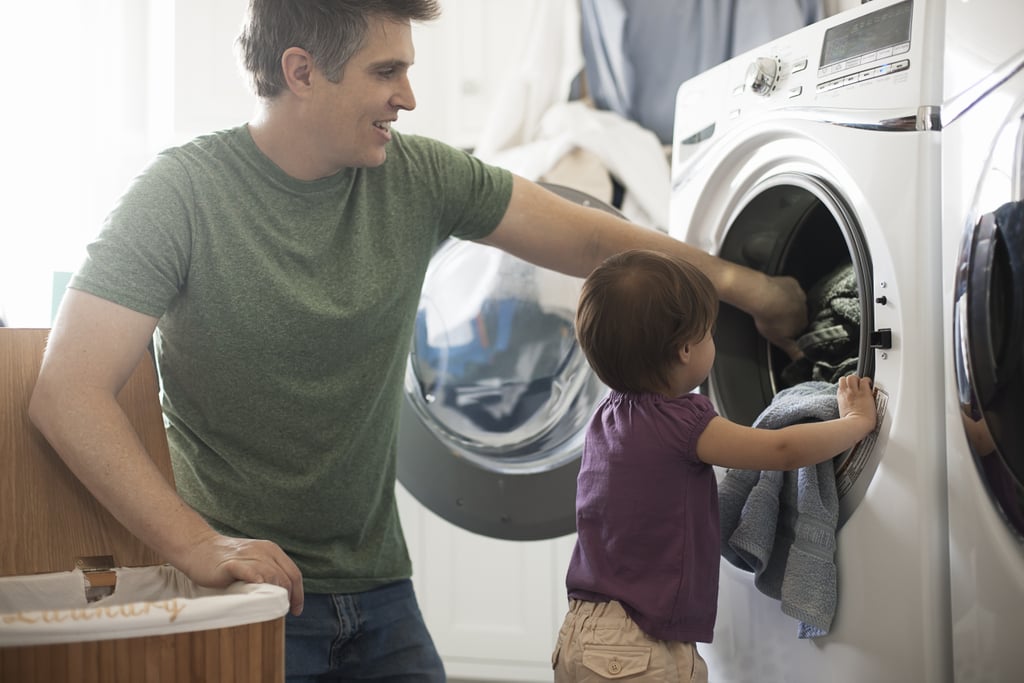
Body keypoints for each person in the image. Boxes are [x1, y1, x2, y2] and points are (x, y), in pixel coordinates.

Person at [28, 1, 807, 680]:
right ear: (301, 71)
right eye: (385, 71)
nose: (408, 96)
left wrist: (749, 288)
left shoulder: (417, 177)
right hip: (248, 595)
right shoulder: (180, 196)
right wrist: (200, 545)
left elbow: (598, 245)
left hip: (381, 590)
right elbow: (66, 392)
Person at [551, 249, 876, 682]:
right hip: (637, 647)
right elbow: (781, 450)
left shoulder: (607, 416)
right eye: (708, 333)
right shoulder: (683, 421)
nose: (711, 341)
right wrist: (855, 422)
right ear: (686, 350)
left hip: (584, 633)